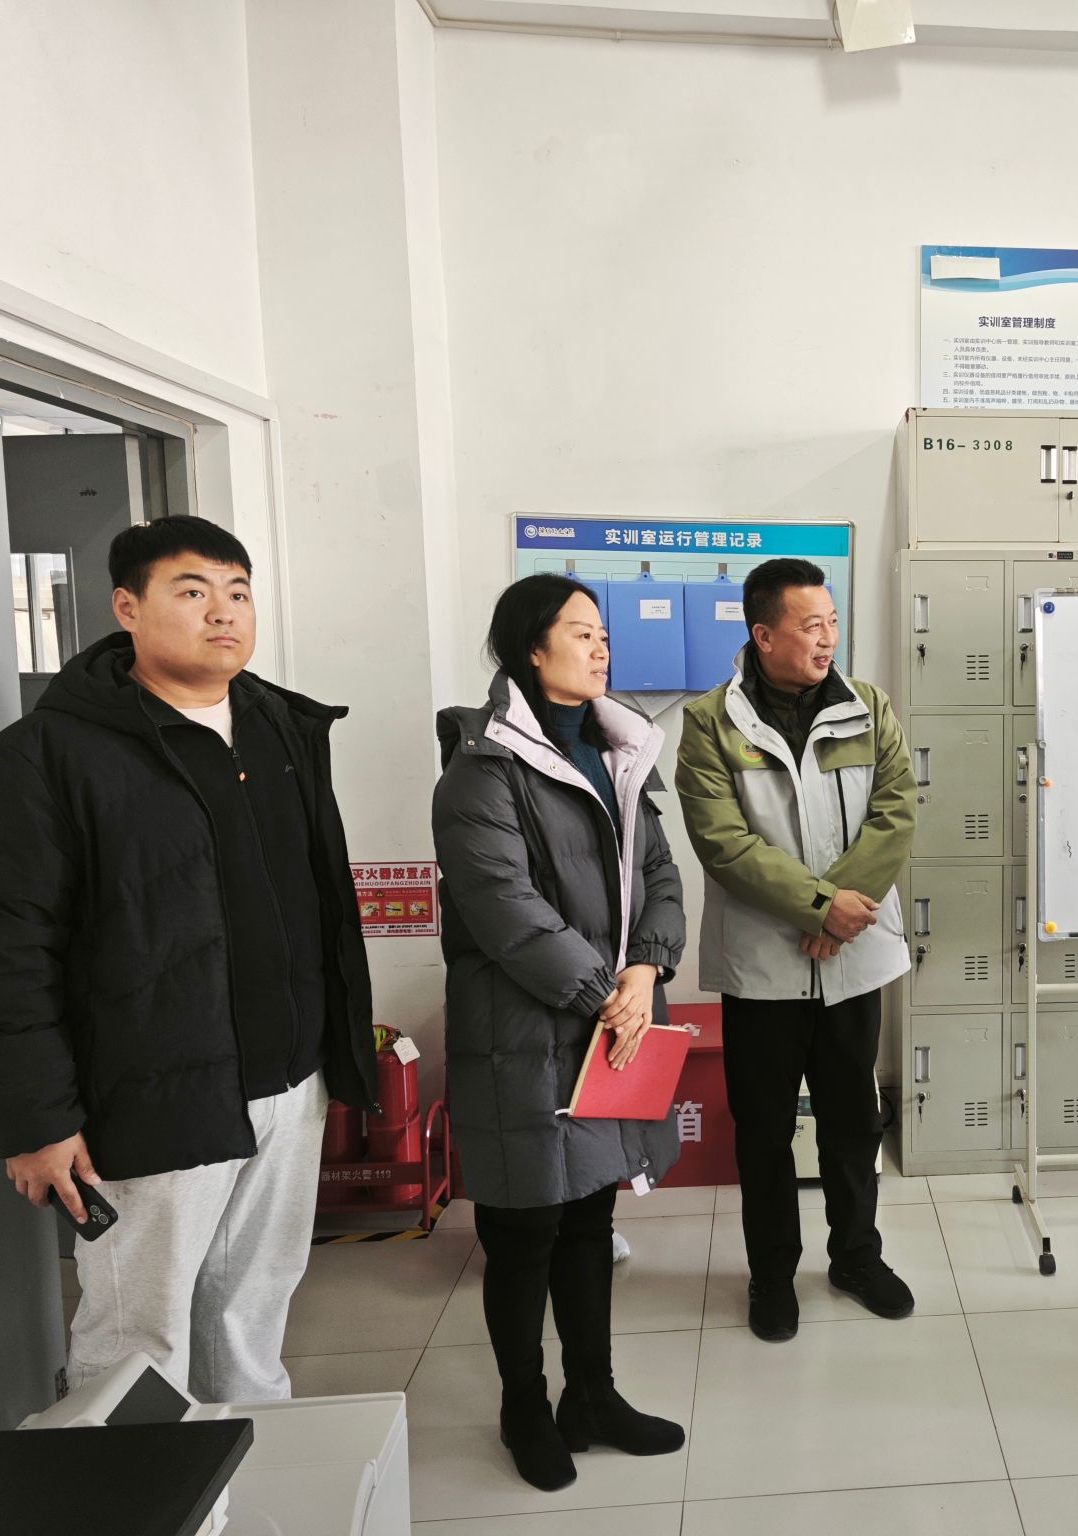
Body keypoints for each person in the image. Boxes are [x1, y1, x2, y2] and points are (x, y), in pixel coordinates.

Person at [0, 516, 379, 1404]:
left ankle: (250, 1462)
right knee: (138, 1336)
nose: (224, 612)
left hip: (289, 1083)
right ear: (127, 608)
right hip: (151, 1097)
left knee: (251, 1309)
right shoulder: (45, 758)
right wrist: (33, 1120)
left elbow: (315, 908)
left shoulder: (280, 731)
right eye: (193, 591)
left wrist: (337, 1051)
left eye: (238, 592)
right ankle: (135, 1478)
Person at [432, 574, 687, 1492]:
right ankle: (524, 1409)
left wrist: (646, 970)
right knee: (523, 1228)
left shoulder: (620, 753)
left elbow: (661, 876)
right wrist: (604, 993)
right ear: (530, 649)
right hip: (523, 1033)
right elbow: (505, 908)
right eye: (581, 632)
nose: (600, 646)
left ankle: (593, 1397)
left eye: (602, 632)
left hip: (607, 1022)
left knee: (589, 1215)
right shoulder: (481, 770)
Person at [674, 558, 917, 1343]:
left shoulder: (868, 708)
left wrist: (839, 913)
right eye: (811, 626)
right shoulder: (710, 723)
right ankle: (772, 1276)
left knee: (853, 1122)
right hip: (763, 971)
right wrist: (818, 905)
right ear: (763, 634)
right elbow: (723, 841)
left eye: (833, 623)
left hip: (852, 962)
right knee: (765, 1131)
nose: (827, 639)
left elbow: (895, 810)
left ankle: (857, 1258)